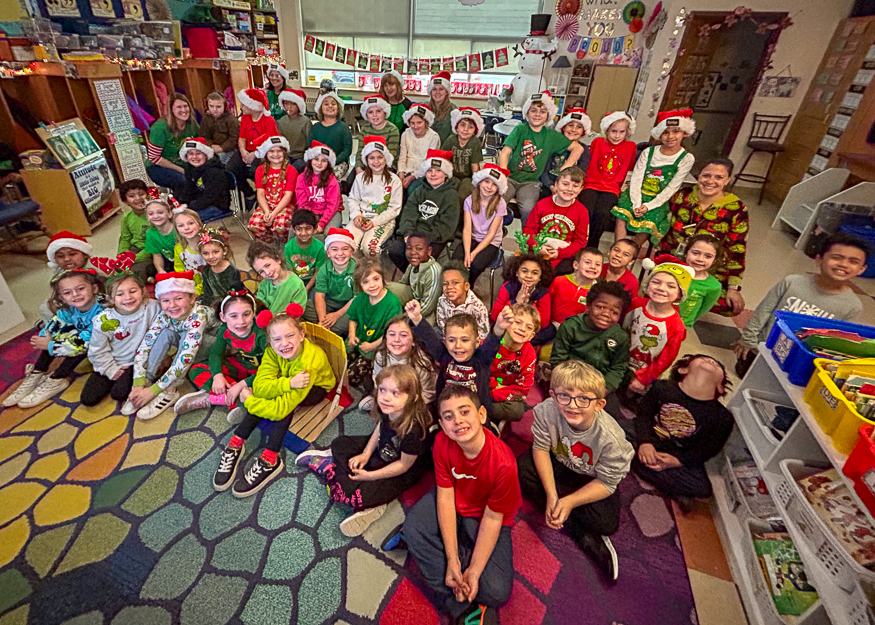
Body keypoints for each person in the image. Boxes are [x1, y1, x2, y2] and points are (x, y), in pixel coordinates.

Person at [403, 385, 521, 623]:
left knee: (496, 592)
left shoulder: (504, 464)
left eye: (464, 412)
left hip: (486, 517)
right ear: (442, 425)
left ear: (482, 415)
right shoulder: (441, 443)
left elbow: (493, 518)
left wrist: (474, 571)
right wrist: (453, 559)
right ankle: (457, 602)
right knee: (412, 528)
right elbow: (445, 496)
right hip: (455, 503)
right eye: (449, 417)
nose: (457, 421)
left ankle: (430, 547)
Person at [517, 360, 634, 580]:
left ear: (599, 404)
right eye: (564, 396)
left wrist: (569, 501)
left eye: (584, 399)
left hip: (591, 476)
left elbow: (607, 482)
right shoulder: (545, 411)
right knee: (522, 469)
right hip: (561, 461)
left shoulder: (612, 440)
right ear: (553, 395)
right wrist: (552, 494)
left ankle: (578, 526)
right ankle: (578, 528)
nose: (573, 405)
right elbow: (540, 447)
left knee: (607, 523)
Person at [297, 364, 432, 536]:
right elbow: (380, 428)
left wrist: (370, 476)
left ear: (413, 398)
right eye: (382, 390)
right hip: (383, 451)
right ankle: (337, 470)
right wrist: (366, 453)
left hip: (400, 471)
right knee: (339, 443)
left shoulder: (414, 431)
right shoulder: (387, 408)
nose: (385, 398)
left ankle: (370, 506)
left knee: (360, 492)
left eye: (395, 393)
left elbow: (403, 466)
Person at [216, 303, 336, 496]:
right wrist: (288, 383)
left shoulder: (307, 363)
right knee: (265, 393)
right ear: (270, 342)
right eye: (277, 339)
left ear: (302, 335)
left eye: (290, 336)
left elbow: (280, 409)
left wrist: (249, 401)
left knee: (283, 407)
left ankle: (271, 458)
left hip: (317, 387)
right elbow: (262, 385)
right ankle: (237, 442)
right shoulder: (272, 351)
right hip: (289, 378)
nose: (284, 343)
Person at [734, 233, 869, 377]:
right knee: (746, 375)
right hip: (763, 350)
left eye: (853, 261)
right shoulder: (792, 282)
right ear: (819, 259)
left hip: (798, 362)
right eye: (837, 257)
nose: (843, 264)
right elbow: (763, 312)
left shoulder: (853, 306)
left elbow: (834, 342)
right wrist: (747, 340)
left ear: (862, 269)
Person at [626, 354, 733, 512]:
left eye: (718, 366)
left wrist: (677, 460)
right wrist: (645, 442)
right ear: (683, 369)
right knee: (613, 429)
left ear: (720, 387)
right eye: (702, 359)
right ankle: (641, 462)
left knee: (702, 488)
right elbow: (643, 415)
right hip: (647, 437)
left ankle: (637, 463)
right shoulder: (662, 388)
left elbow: (707, 450)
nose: (711, 361)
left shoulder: (722, 418)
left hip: (678, 453)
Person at [659, 158, 748, 316]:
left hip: (708, 269)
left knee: (729, 306)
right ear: (698, 176)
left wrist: (733, 288)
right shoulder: (682, 196)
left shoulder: (736, 209)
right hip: (676, 261)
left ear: (727, 180)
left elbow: (737, 249)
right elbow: (664, 231)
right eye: (706, 175)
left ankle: (688, 305)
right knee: (658, 288)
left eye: (719, 177)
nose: (711, 181)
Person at [5, 269, 104, 408]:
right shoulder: (71, 308)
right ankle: (37, 372)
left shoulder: (103, 312)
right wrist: (46, 336)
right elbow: (56, 321)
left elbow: (85, 342)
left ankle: (57, 378)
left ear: (94, 289)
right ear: (62, 297)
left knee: (72, 343)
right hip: (85, 340)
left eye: (80, 289)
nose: (75, 295)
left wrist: (52, 345)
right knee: (55, 335)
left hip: (105, 348)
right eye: (67, 293)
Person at [127, 271, 212, 420]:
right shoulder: (164, 315)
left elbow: (186, 357)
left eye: (179, 298)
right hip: (189, 343)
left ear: (192, 298)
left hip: (215, 345)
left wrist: (155, 390)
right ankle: (147, 379)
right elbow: (146, 345)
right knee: (165, 333)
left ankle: (170, 389)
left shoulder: (199, 316)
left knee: (186, 337)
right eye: (166, 300)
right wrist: (138, 382)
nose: (172, 305)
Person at [408, 300, 511, 414]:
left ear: (477, 342)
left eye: (464, 340)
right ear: (445, 342)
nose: (458, 346)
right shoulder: (444, 355)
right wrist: (416, 318)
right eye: (452, 340)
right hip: (447, 412)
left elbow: (492, 344)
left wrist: (499, 328)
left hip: (476, 415)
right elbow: (429, 338)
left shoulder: (482, 359)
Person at [612, 109, 696, 248]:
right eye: (665, 132)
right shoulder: (648, 152)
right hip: (636, 194)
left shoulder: (686, 158)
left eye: (676, 131)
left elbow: (672, 187)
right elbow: (636, 178)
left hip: (659, 200)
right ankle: (619, 248)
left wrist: (649, 206)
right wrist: (637, 202)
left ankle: (631, 251)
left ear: (684, 133)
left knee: (650, 223)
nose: (670, 136)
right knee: (621, 215)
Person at [176, 289, 267, 415]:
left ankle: (215, 398)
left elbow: (271, 369)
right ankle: (234, 399)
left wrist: (241, 385)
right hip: (242, 367)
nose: (241, 321)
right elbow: (216, 354)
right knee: (196, 370)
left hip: (263, 374)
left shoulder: (261, 334)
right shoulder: (225, 330)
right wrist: (218, 376)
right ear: (222, 317)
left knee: (271, 388)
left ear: (254, 313)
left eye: (246, 314)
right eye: (234, 316)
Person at [500, 91, 583, 225]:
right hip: (509, 178)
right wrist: (503, 174)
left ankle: (527, 242)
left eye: (542, 111)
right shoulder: (520, 129)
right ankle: (489, 237)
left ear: (548, 115)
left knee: (529, 209)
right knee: (495, 203)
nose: (538, 114)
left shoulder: (551, 135)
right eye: (533, 111)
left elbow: (578, 148)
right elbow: (505, 152)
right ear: (527, 113)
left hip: (531, 182)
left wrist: (565, 168)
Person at [82, 271, 159, 407]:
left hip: (137, 363)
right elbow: (97, 350)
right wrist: (110, 369)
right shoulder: (103, 321)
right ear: (111, 299)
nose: (128, 297)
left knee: (119, 394)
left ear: (142, 291)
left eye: (133, 291)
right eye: (120, 294)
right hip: (111, 361)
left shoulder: (153, 307)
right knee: (88, 399)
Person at [551, 280, 631, 402]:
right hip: (569, 381)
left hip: (599, 387)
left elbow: (618, 368)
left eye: (614, 312)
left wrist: (603, 390)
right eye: (600, 307)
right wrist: (571, 385)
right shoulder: (570, 326)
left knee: (613, 419)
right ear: (588, 305)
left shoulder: (620, 337)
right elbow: (558, 360)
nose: (606, 314)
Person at [624, 256, 690, 396]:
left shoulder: (676, 326)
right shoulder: (634, 304)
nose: (661, 288)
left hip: (643, 373)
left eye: (671, 286)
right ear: (647, 285)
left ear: (680, 294)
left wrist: (643, 379)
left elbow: (664, 361)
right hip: (618, 362)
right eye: (656, 282)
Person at [387, 149, 460, 273]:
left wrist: (423, 240)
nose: (433, 174)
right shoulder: (419, 190)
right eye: (429, 170)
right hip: (413, 234)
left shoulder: (451, 195)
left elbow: (445, 227)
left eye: (438, 170)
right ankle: (412, 275)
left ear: (446, 174)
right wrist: (408, 234)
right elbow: (408, 214)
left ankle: (420, 277)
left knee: (422, 257)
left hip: (434, 238)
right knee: (394, 250)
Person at [580, 112, 637, 248]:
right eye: (613, 131)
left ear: (627, 132)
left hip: (611, 188)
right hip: (591, 184)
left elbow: (631, 166)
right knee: (585, 210)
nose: (617, 135)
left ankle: (592, 246)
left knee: (603, 213)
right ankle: (580, 243)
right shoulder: (597, 142)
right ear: (606, 130)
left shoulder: (630, 147)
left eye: (621, 131)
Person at [358, 315, 437, 411]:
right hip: (389, 390)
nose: (396, 340)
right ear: (385, 337)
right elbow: (377, 377)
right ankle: (376, 401)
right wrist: (382, 396)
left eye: (403, 335)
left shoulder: (422, 364)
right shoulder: (381, 355)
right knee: (368, 382)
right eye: (391, 334)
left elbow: (429, 394)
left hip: (411, 401)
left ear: (413, 341)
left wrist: (404, 407)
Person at [346, 258, 403, 387]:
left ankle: (371, 374)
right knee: (339, 364)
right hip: (359, 341)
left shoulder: (392, 304)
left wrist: (372, 346)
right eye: (365, 282)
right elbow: (353, 318)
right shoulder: (360, 299)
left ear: (383, 278)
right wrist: (352, 335)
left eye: (376, 279)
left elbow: (392, 334)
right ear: (360, 285)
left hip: (378, 346)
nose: (372, 285)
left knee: (351, 378)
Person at [521, 166, 589, 275]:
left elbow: (580, 241)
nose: (570, 189)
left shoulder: (582, 211)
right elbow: (529, 230)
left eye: (575, 186)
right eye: (565, 184)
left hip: (564, 254)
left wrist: (560, 253)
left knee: (562, 273)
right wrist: (538, 247)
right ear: (556, 185)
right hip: (540, 249)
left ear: (580, 189)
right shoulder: (541, 205)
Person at [347, 136, 403, 256]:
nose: (376, 162)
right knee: (346, 244)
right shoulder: (360, 178)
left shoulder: (394, 180)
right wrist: (356, 215)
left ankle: (374, 271)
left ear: (386, 158)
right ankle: (356, 272)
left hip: (382, 221)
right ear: (366, 160)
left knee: (369, 248)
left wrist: (374, 222)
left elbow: (394, 209)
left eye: (380, 157)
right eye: (372, 158)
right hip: (361, 217)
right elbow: (353, 199)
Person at [454, 164, 508, 285]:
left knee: (475, 266)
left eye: (494, 184)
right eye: (486, 181)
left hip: (490, 242)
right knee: (455, 263)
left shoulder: (500, 203)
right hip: (472, 237)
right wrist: (467, 252)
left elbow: (491, 234)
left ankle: (468, 289)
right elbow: (467, 229)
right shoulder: (469, 200)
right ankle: (456, 288)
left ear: (499, 188)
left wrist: (473, 254)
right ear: (479, 182)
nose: (489, 187)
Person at [491, 253, 554, 347]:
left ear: (540, 277)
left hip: (529, 327)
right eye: (524, 271)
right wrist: (515, 302)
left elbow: (544, 322)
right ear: (517, 273)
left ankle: (523, 345)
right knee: (496, 329)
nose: (529, 276)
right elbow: (494, 315)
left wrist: (529, 306)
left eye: (535, 273)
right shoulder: (508, 287)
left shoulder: (543, 293)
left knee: (550, 331)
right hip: (510, 324)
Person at [228, 88, 279, 204]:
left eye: (244, 105)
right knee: (231, 168)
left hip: (264, 152)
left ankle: (263, 196)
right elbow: (242, 138)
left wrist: (254, 154)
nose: (241, 108)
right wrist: (243, 151)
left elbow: (271, 143)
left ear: (254, 107)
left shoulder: (268, 121)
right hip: (247, 150)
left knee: (256, 171)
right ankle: (249, 193)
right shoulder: (245, 118)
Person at [303, 228, 357, 337]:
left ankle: (330, 333)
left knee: (343, 324)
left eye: (345, 249)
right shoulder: (324, 269)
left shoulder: (358, 270)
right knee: (304, 308)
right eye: (334, 249)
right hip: (329, 303)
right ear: (328, 252)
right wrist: (323, 320)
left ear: (352, 251)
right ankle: (324, 328)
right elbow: (319, 295)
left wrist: (336, 315)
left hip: (349, 307)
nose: (340, 253)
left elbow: (357, 298)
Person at [491, 303, 539, 424]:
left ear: (531, 336)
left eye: (529, 327)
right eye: (518, 322)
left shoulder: (529, 353)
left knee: (518, 410)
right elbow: (479, 372)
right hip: (484, 388)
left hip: (504, 394)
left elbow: (523, 388)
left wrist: (496, 393)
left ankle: (483, 413)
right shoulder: (493, 342)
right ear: (507, 323)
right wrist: (495, 385)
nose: (522, 329)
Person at [146, 93, 199, 196]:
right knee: (182, 180)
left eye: (185, 106)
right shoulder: (160, 128)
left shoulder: (192, 124)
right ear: (171, 110)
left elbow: (200, 143)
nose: (183, 110)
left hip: (184, 163)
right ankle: (181, 207)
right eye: (179, 107)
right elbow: (154, 157)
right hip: (158, 166)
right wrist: (181, 170)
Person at [248, 135, 297, 243]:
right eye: (271, 151)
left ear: (284, 152)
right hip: (267, 204)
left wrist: (273, 213)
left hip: (285, 205)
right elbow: (260, 194)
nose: (275, 154)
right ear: (266, 153)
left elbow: (288, 196)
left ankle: (282, 243)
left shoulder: (291, 170)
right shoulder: (260, 170)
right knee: (254, 225)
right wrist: (266, 211)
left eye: (279, 151)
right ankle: (269, 242)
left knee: (281, 226)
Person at [39, 231, 93, 323]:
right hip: (70, 302)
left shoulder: (93, 269)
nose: (67, 259)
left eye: (72, 254)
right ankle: (55, 329)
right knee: (45, 307)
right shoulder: (58, 273)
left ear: (84, 254)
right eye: (60, 256)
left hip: (92, 303)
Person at [540, 108, 592, 197]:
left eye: (579, 127)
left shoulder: (584, 150)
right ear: (563, 127)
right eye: (570, 125)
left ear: (583, 131)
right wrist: (551, 186)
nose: (573, 130)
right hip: (549, 185)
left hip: (570, 188)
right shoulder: (553, 145)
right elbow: (544, 170)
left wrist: (567, 188)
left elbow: (581, 173)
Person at [247, 240, 307, 315]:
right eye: (261, 272)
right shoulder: (263, 285)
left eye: (268, 265)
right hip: (268, 321)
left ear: (277, 259)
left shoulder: (297, 284)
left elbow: (297, 311)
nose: (267, 272)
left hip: (287, 322)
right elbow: (260, 307)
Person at [178, 138, 231, 222]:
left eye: (198, 153)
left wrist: (191, 207)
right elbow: (188, 189)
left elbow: (211, 196)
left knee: (185, 220)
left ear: (206, 155)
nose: (194, 157)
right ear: (186, 156)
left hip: (216, 206)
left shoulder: (214, 172)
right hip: (199, 203)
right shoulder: (189, 169)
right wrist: (183, 203)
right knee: (176, 216)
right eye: (191, 154)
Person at [434, 263, 490, 342]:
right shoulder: (442, 300)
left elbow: (483, 336)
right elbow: (441, 324)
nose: (449, 287)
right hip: (448, 338)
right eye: (445, 284)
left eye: (455, 282)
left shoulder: (478, 308)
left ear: (466, 286)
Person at [295, 141, 342, 233]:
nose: (319, 163)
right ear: (310, 160)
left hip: (331, 213)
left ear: (328, 163)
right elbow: (302, 202)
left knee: (329, 232)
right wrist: (310, 219)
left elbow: (332, 205)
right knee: (298, 230)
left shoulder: (332, 181)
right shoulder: (301, 178)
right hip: (309, 212)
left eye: (324, 160)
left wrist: (321, 223)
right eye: (316, 159)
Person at [548, 247, 604, 326]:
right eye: (588, 262)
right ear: (576, 265)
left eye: (597, 264)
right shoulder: (559, 281)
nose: (593, 267)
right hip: (552, 327)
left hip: (578, 332)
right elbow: (547, 305)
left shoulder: (599, 292)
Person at [394, 233, 442, 322]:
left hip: (429, 310)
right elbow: (402, 284)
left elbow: (428, 306)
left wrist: (405, 317)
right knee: (388, 289)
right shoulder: (413, 264)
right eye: (409, 248)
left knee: (421, 329)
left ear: (429, 251)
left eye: (419, 249)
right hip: (414, 300)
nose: (413, 252)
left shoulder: (434, 272)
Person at [679, 234, 723, 327]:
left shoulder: (714, 286)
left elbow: (702, 311)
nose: (700, 259)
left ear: (714, 260)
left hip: (681, 326)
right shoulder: (672, 271)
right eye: (695, 253)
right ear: (686, 253)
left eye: (708, 256)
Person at [443, 107, 484, 201]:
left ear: (475, 131)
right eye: (462, 125)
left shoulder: (474, 142)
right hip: (452, 175)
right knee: (448, 192)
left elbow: (475, 166)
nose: (466, 129)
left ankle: (461, 215)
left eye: (470, 127)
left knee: (462, 195)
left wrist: (476, 182)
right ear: (456, 127)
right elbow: (443, 159)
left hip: (468, 177)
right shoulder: (451, 140)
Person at [310, 91, 352, 180]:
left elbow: (347, 149)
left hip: (338, 163)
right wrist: (319, 161)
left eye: (333, 104)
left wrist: (333, 161)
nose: (330, 106)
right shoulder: (315, 128)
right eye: (326, 104)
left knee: (329, 178)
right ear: (321, 108)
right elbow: (310, 147)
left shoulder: (343, 127)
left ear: (338, 108)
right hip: (319, 161)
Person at [117, 179, 154, 282]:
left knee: (137, 271)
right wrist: (122, 255)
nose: (138, 198)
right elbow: (125, 238)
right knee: (117, 268)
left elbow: (154, 244)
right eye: (131, 196)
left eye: (141, 194)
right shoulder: (127, 217)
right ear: (125, 201)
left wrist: (133, 258)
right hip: (134, 249)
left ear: (148, 195)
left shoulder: (154, 215)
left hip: (150, 251)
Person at [397, 104, 440, 190]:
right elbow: (402, 157)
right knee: (396, 186)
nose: (415, 126)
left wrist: (413, 177)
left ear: (426, 123)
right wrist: (401, 174)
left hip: (423, 173)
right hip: (406, 170)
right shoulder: (406, 134)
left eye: (419, 122)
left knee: (412, 189)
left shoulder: (434, 137)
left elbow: (429, 163)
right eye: (412, 123)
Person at [353, 96, 401, 174]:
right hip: (367, 164)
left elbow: (392, 154)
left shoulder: (392, 130)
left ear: (385, 113)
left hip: (387, 165)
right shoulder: (365, 129)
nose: (375, 115)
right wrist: (358, 167)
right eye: (370, 112)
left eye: (378, 111)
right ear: (366, 115)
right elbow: (360, 152)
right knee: (351, 181)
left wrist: (376, 169)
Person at [198, 227, 243, 306]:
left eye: (215, 252)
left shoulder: (231, 271)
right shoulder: (206, 270)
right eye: (206, 253)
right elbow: (207, 292)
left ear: (224, 251)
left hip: (230, 304)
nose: (211, 256)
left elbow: (236, 294)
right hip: (213, 303)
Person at [284, 209, 326, 292]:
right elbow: (290, 271)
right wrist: (299, 287)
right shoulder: (288, 247)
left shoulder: (320, 247)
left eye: (308, 228)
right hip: (295, 279)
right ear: (293, 229)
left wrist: (306, 289)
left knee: (318, 294)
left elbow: (318, 272)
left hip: (313, 281)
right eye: (299, 229)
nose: (303, 233)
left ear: (315, 228)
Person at [200, 91, 240, 165]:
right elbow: (203, 136)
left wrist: (222, 148)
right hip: (211, 148)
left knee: (220, 161)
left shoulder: (231, 120)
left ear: (225, 106)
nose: (214, 109)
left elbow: (234, 138)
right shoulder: (206, 118)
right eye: (211, 106)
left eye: (218, 107)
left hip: (229, 149)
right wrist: (211, 146)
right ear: (207, 106)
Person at [172, 208, 206, 296]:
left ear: (199, 224)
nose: (186, 228)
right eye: (181, 225)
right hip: (191, 287)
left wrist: (198, 291)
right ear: (177, 230)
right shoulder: (179, 248)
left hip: (211, 286)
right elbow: (180, 271)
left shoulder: (208, 245)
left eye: (191, 223)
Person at [276, 88, 311, 169]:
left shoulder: (305, 122)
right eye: (286, 103)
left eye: (293, 104)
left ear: (299, 105)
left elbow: (309, 142)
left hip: (300, 156)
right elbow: (280, 141)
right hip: (285, 156)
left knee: (293, 169)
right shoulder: (281, 122)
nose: (289, 107)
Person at [144, 199, 177, 274]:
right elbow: (157, 255)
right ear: (147, 217)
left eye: (160, 212)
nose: (156, 216)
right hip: (170, 262)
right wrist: (160, 270)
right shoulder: (150, 233)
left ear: (170, 214)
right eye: (151, 214)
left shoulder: (177, 229)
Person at [426, 71, 459, 144]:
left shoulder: (454, 110)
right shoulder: (424, 108)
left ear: (447, 92)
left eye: (441, 89)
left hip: (445, 150)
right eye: (434, 89)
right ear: (430, 92)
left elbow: (454, 136)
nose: (437, 92)